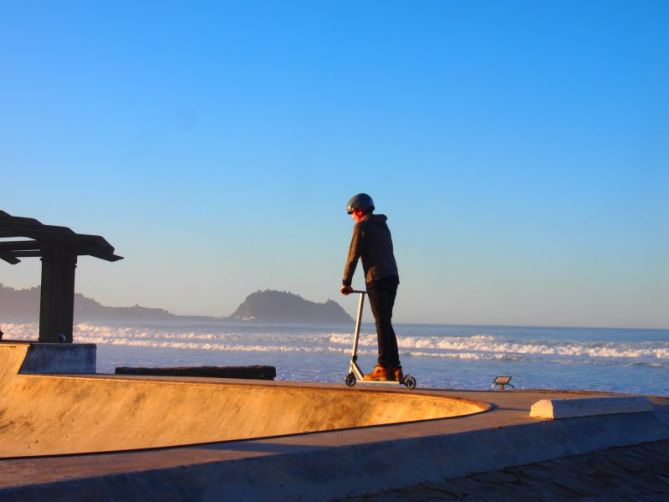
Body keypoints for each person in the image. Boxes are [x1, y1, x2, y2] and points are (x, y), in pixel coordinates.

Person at [340, 193, 402, 381]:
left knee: (381, 322)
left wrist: (346, 282)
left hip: (377, 278)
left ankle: (383, 366)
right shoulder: (383, 226)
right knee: (385, 321)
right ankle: (395, 367)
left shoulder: (362, 226)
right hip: (392, 277)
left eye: (352, 214)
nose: (352, 218)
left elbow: (353, 255)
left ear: (359, 210)